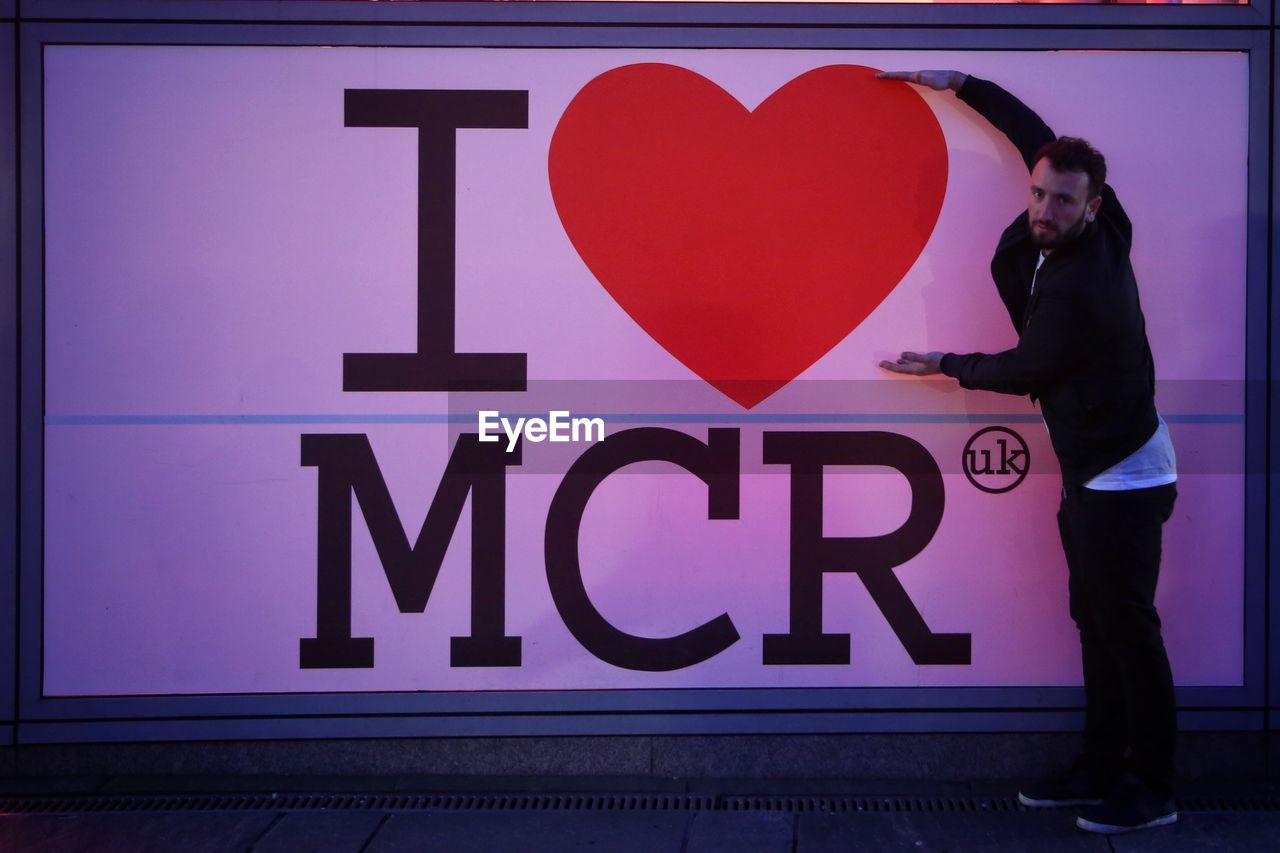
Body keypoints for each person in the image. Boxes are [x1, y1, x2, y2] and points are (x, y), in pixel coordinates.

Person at [876, 69, 1179, 835]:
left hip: (1122, 472)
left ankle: (1154, 785)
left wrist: (942, 362)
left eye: (1062, 201)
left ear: (1093, 209)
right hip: (1097, 464)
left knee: (1126, 626)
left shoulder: (1084, 289)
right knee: (1095, 618)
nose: (1044, 209)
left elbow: (1024, 369)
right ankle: (1100, 763)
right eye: (1040, 193)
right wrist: (966, 85)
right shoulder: (1102, 220)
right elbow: (1031, 130)